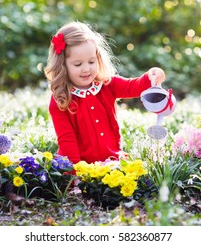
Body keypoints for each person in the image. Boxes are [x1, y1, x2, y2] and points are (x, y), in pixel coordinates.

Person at [44, 21, 165, 165]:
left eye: (91, 62)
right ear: (62, 65)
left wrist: (151, 76)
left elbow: (133, 86)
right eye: (78, 64)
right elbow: (67, 140)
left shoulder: (107, 84)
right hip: (81, 168)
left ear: (98, 59)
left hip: (112, 162)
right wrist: (74, 176)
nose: (86, 69)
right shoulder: (61, 99)